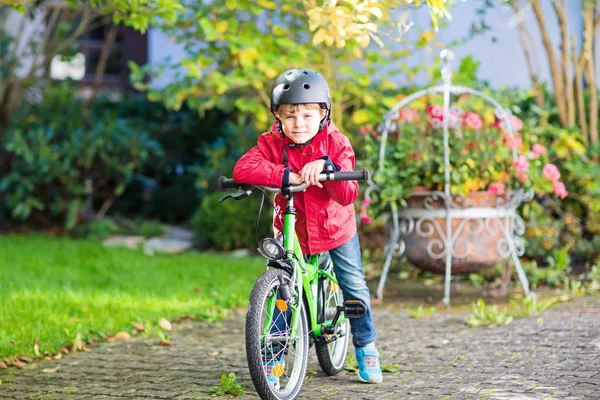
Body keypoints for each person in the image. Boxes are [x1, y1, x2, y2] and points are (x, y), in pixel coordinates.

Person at [233, 68, 382, 385]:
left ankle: (366, 345)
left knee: (354, 288)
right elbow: (244, 167)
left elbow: (347, 195)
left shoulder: (336, 144)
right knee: (284, 293)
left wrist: (327, 168)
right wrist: (283, 175)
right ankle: (272, 360)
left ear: (323, 114)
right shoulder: (271, 143)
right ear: (278, 116)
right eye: (290, 116)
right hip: (291, 232)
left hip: (335, 230)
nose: (298, 124)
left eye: (307, 115)